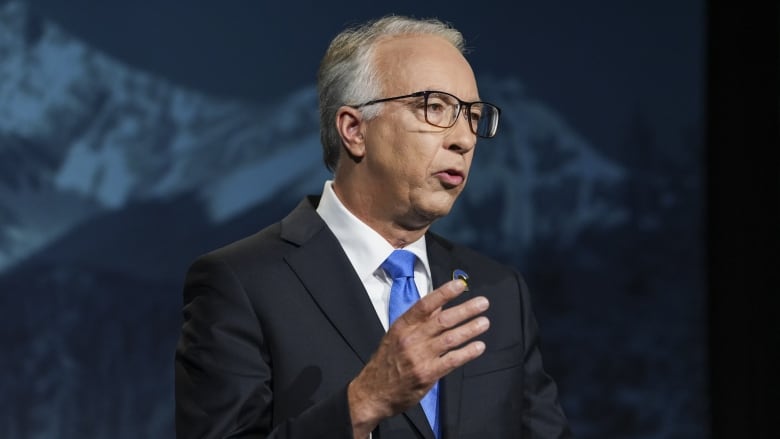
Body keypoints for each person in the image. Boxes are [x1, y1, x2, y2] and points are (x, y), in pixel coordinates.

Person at [175, 15, 571, 439]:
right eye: (435, 107)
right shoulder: (242, 283)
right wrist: (362, 404)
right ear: (354, 129)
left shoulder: (497, 291)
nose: (465, 139)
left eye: (473, 116)